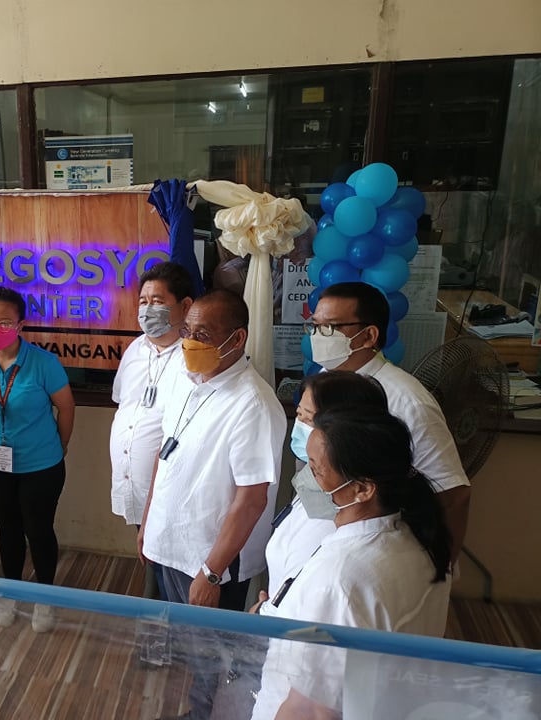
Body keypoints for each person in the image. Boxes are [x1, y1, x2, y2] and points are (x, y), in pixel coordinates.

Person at [251, 408, 453, 719]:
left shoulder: (341, 579)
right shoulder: (423, 540)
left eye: (317, 470)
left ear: (362, 489)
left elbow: (315, 709)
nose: (307, 477)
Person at [139, 289, 285, 720]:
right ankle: (198, 711)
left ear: (236, 339)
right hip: (170, 546)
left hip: (209, 561)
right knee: (192, 646)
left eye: (202, 334)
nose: (189, 341)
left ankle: (208, 715)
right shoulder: (186, 379)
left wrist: (211, 570)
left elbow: (251, 498)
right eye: (186, 331)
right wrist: (149, 524)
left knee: (215, 656)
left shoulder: (253, 403)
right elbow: (164, 459)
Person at [308, 281, 470, 561]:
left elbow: (453, 494)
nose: (318, 336)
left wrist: (440, 568)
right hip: (320, 540)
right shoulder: (324, 380)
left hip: (374, 554)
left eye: (331, 328)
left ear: (369, 335)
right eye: (314, 326)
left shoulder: (408, 402)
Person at [0, 286, 75, 633]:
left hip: (41, 464)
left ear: (21, 324)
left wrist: (60, 445)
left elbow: (67, 407)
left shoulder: (44, 363)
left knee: (38, 530)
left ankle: (44, 597)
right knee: (7, 530)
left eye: (4, 322)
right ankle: (11, 592)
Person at [262, 371, 389, 602]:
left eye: (308, 419)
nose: (299, 426)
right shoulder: (314, 484)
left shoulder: (336, 513)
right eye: (298, 414)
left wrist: (263, 611)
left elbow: (303, 602)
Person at [109, 262, 194, 584]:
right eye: (143, 301)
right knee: (148, 555)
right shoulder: (134, 349)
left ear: (185, 306)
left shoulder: (194, 357)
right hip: (136, 481)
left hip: (174, 489)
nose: (147, 309)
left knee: (174, 569)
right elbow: (125, 405)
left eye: (157, 301)